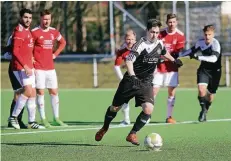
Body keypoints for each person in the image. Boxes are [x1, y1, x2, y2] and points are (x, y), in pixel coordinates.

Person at [95, 19, 183, 145]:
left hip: (146, 82)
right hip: (131, 80)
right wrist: (133, 77)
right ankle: (105, 127)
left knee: (148, 109)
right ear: (147, 31)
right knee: (115, 108)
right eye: (152, 32)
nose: (155, 35)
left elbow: (164, 52)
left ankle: (132, 134)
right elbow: (129, 61)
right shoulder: (140, 44)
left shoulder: (159, 43)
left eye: (157, 32)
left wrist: (173, 60)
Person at [31, 9, 67, 128]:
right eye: (45, 19)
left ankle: (56, 118)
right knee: (40, 92)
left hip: (50, 68)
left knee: (54, 92)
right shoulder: (34, 32)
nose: (47, 21)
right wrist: (30, 57)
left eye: (49, 19)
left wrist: (55, 54)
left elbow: (63, 42)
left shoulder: (54, 32)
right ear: (41, 19)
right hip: (38, 68)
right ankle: (43, 119)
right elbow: (28, 46)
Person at [9, 8, 44, 129]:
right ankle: (13, 117)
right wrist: (25, 66)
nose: (28, 20)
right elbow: (15, 51)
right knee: (27, 91)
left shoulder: (27, 31)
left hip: (29, 66)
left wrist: (32, 59)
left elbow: (27, 50)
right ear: (20, 18)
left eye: (29, 18)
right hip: (20, 67)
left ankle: (32, 121)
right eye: (25, 17)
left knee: (33, 92)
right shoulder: (18, 31)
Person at [179, 25, 222, 122]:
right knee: (201, 90)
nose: (207, 37)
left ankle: (206, 110)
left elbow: (214, 59)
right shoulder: (200, 42)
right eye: (206, 34)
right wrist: (180, 56)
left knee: (210, 95)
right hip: (204, 70)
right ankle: (203, 111)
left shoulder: (216, 44)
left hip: (215, 72)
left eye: (209, 34)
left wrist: (198, 57)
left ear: (213, 34)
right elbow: (191, 51)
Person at [152, 13, 185, 124]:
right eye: (170, 22)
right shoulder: (160, 34)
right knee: (153, 91)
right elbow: (155, 48)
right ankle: (147, 115)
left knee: (171, 93)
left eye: (174, 22)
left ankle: (169, 117)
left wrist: (167, 58)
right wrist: (159, 58)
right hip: (159, 68)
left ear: (177, 22)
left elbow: (177, 53)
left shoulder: (180, 35)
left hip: (172, 69)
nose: (172, 24)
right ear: (167, 22)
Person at [3, 36, 27, 129]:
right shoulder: (14, 37)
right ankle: (13, 120)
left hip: (26, 68)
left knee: (26, 93)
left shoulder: (30, 35)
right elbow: (6, 55)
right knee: (18, 92)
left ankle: (19, 119)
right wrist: (17, 55)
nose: (27, 20)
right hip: (15, 68)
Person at [114, 29, 136, 125]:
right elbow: (116, 66)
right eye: (128, 39)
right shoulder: (121, 51)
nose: (130, 41)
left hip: (142, 77)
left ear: (135, 40)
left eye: (132, 39)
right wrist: (122, 79)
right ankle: (126, 120)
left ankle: (146, 117)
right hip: (129, 78)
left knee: (144, 98)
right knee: (124, 99)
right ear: (125, 39)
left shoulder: (141, 48)